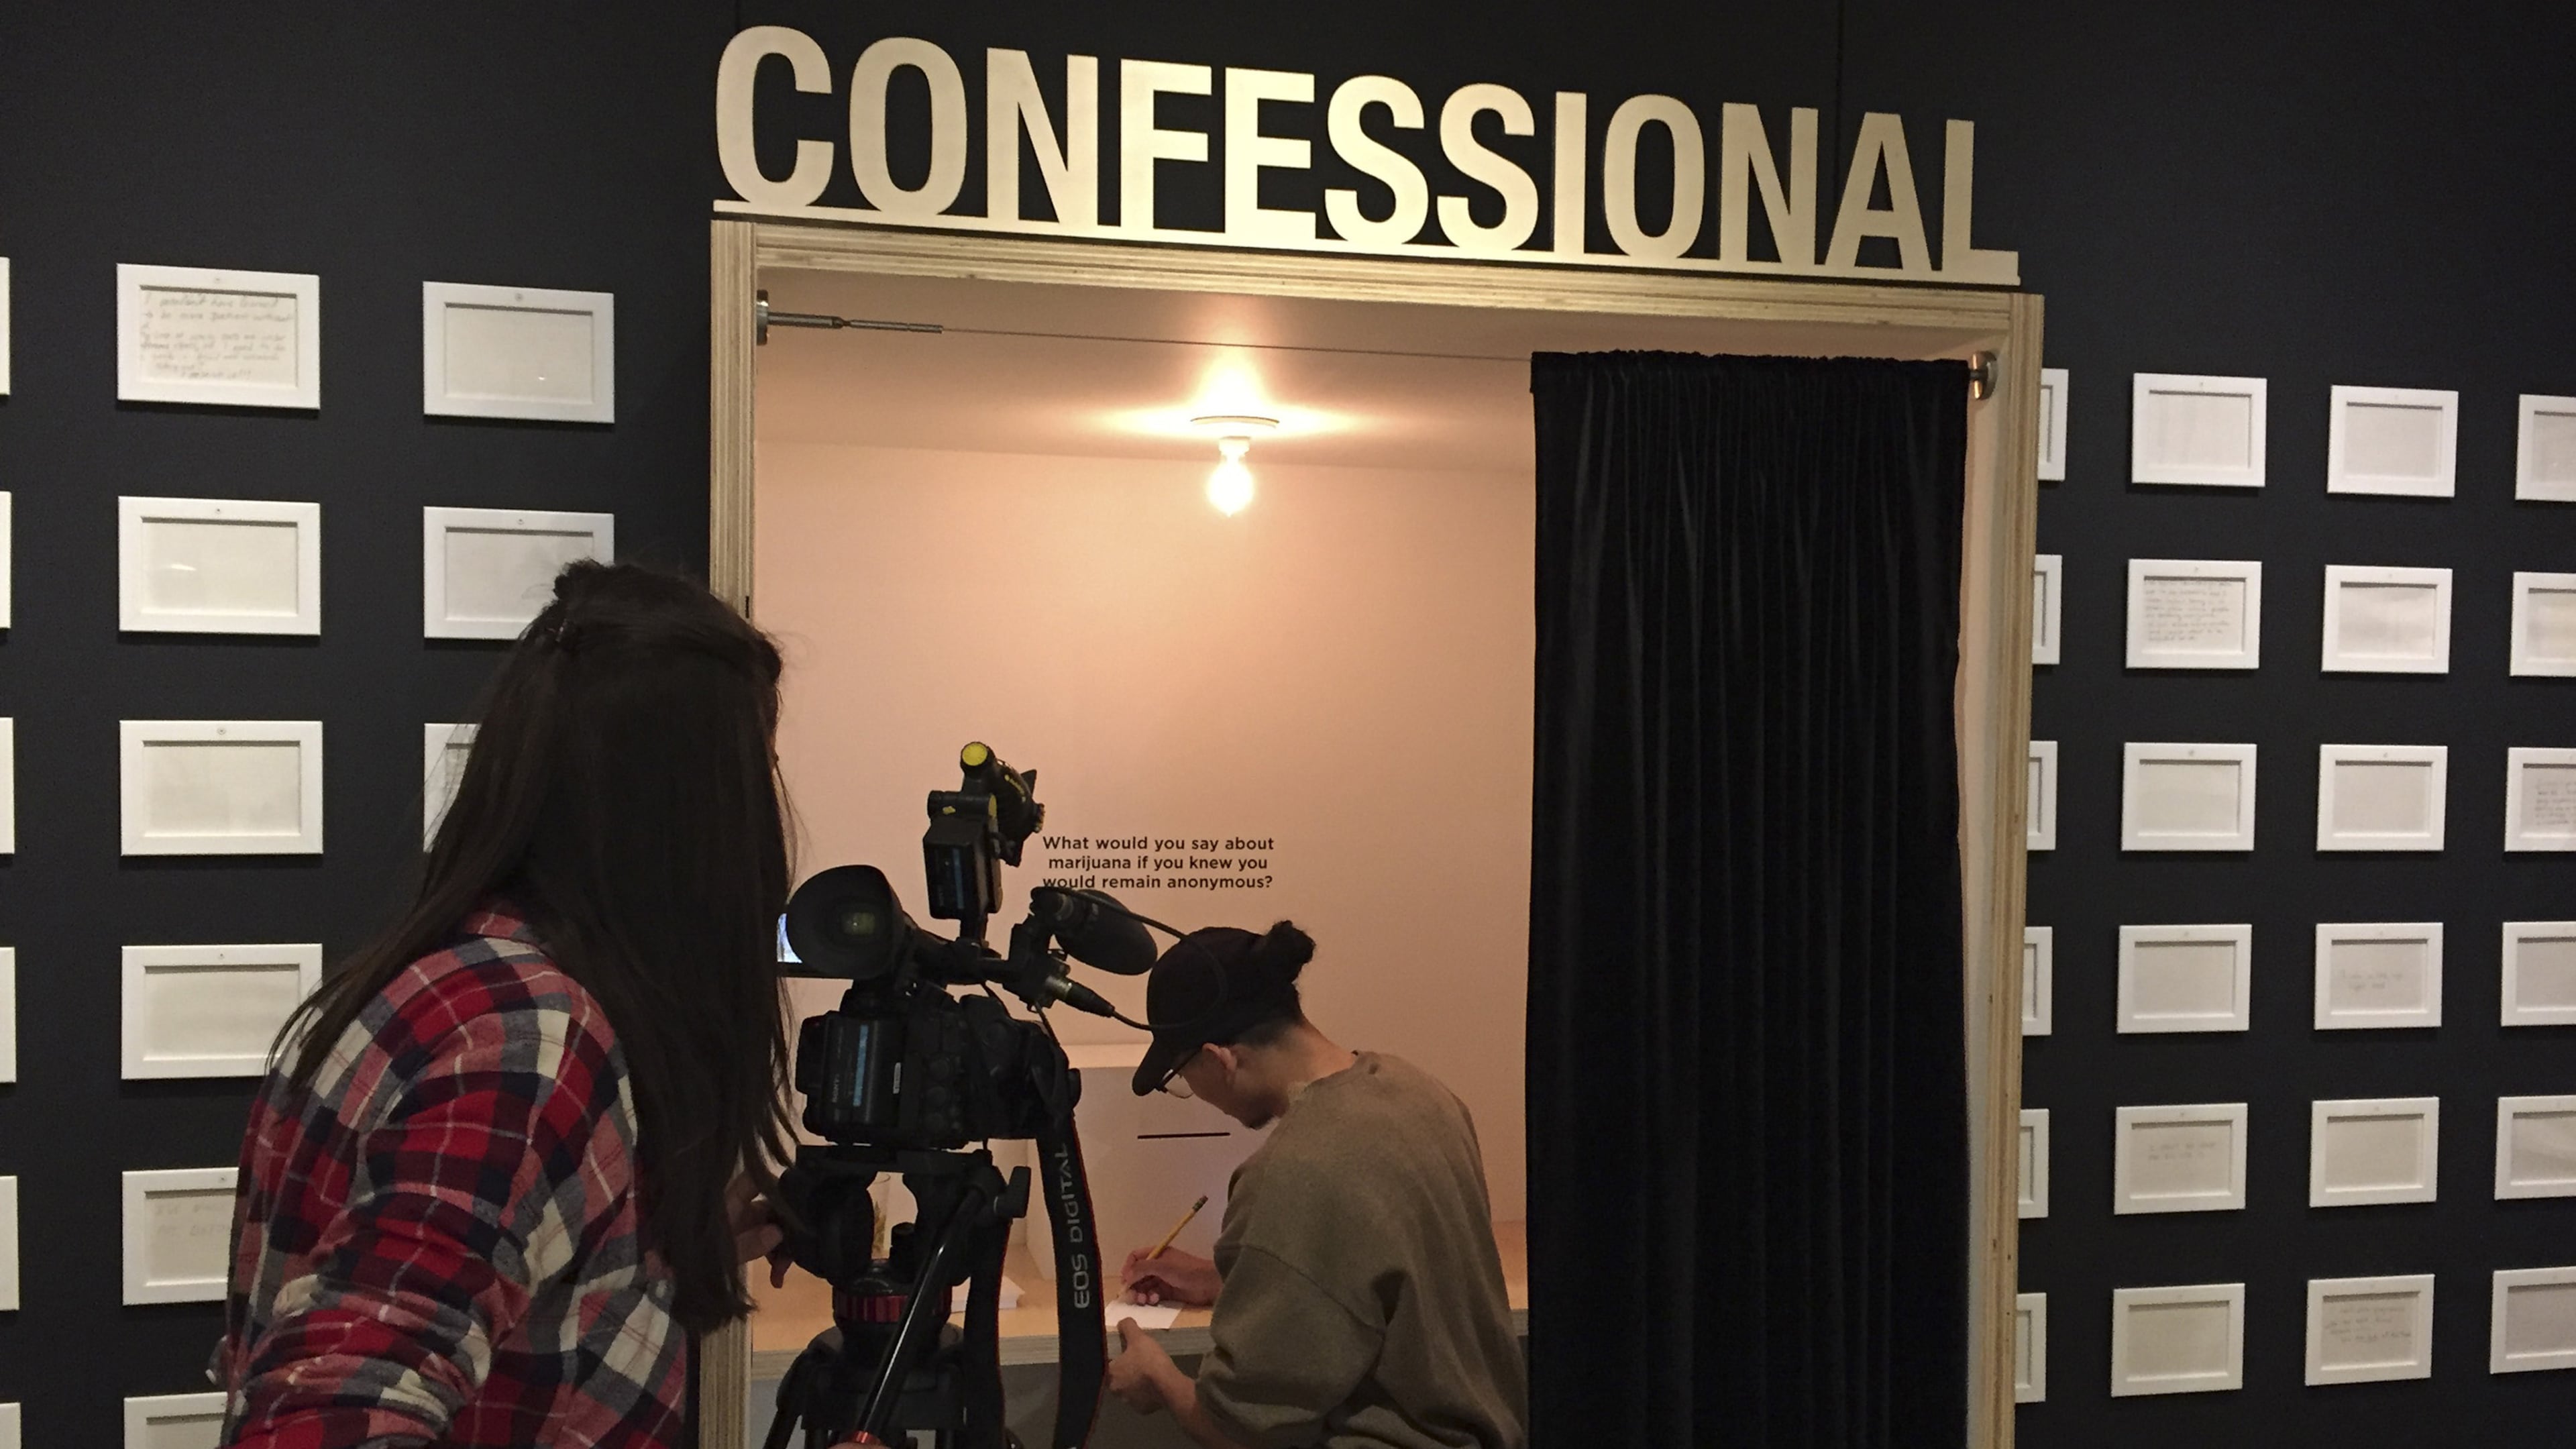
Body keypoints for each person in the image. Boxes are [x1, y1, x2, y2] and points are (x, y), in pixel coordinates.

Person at [216, 562, 798, 1448]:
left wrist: (640, 1246)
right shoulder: (526, 1042)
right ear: (704, 816)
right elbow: (325, 1418)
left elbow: (471, 1297)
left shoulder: (441, 981)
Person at [1103, 922, 1529, 1449]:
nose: (1192, 1089)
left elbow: (1241, 1430)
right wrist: (1231, 1279)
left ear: (1219, 1058)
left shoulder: (1290, 1171)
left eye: (1181, 1076)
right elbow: (1380, 1274)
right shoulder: (1421, 1094)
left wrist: (1159, 1378)